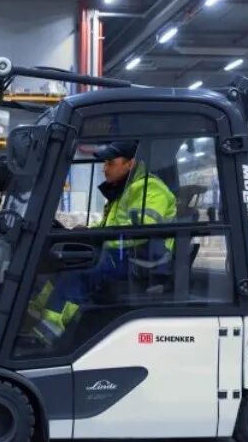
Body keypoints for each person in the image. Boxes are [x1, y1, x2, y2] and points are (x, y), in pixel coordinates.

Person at [29, 140, 176, 344]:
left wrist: (97, 237)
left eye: (110, 163)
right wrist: (88, 232)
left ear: (130, 164)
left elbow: (140, 231)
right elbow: (111, 226)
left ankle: (49, 334)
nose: (104, 168)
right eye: (104, 163)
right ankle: (32, 316)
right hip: (123, 253)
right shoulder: (125, 188)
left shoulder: (150, 189)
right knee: (65, 260)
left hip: (145, 259)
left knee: (79, 272)